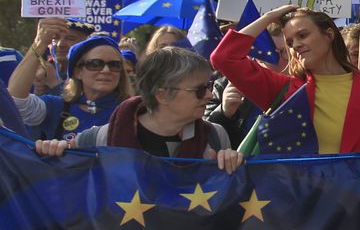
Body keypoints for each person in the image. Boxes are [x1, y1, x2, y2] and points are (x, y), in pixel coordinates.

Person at [211, 6, 360, 159]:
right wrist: (270, 16)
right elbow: (223, 57)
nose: (295, 45)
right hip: (299, 204)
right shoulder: (286, 90)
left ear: (329, 35)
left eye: (302, 35)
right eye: (289, 42)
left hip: (359, 202)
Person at [33, 47, 243, 172]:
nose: (209, 95)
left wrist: (231, 164)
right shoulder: (100, 139)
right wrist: (54, 152)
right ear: (162, 95)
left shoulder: (216, 137)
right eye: (199, 90)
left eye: (209, 86)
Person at [9, 19, 134, 141]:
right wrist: (40, 43)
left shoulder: (133, 111)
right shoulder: (57, 107)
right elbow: (16, 102)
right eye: (95, 64)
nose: (106, 70)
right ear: (77, 72)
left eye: (114, 65)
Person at [206, 23, 288, 147]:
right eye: (278, 52)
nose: (288, 58)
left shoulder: (306, 83)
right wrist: (224, 112)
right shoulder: (224, 86)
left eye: (289, 49)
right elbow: (205, 137)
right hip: (240, 163)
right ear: (258, 56)